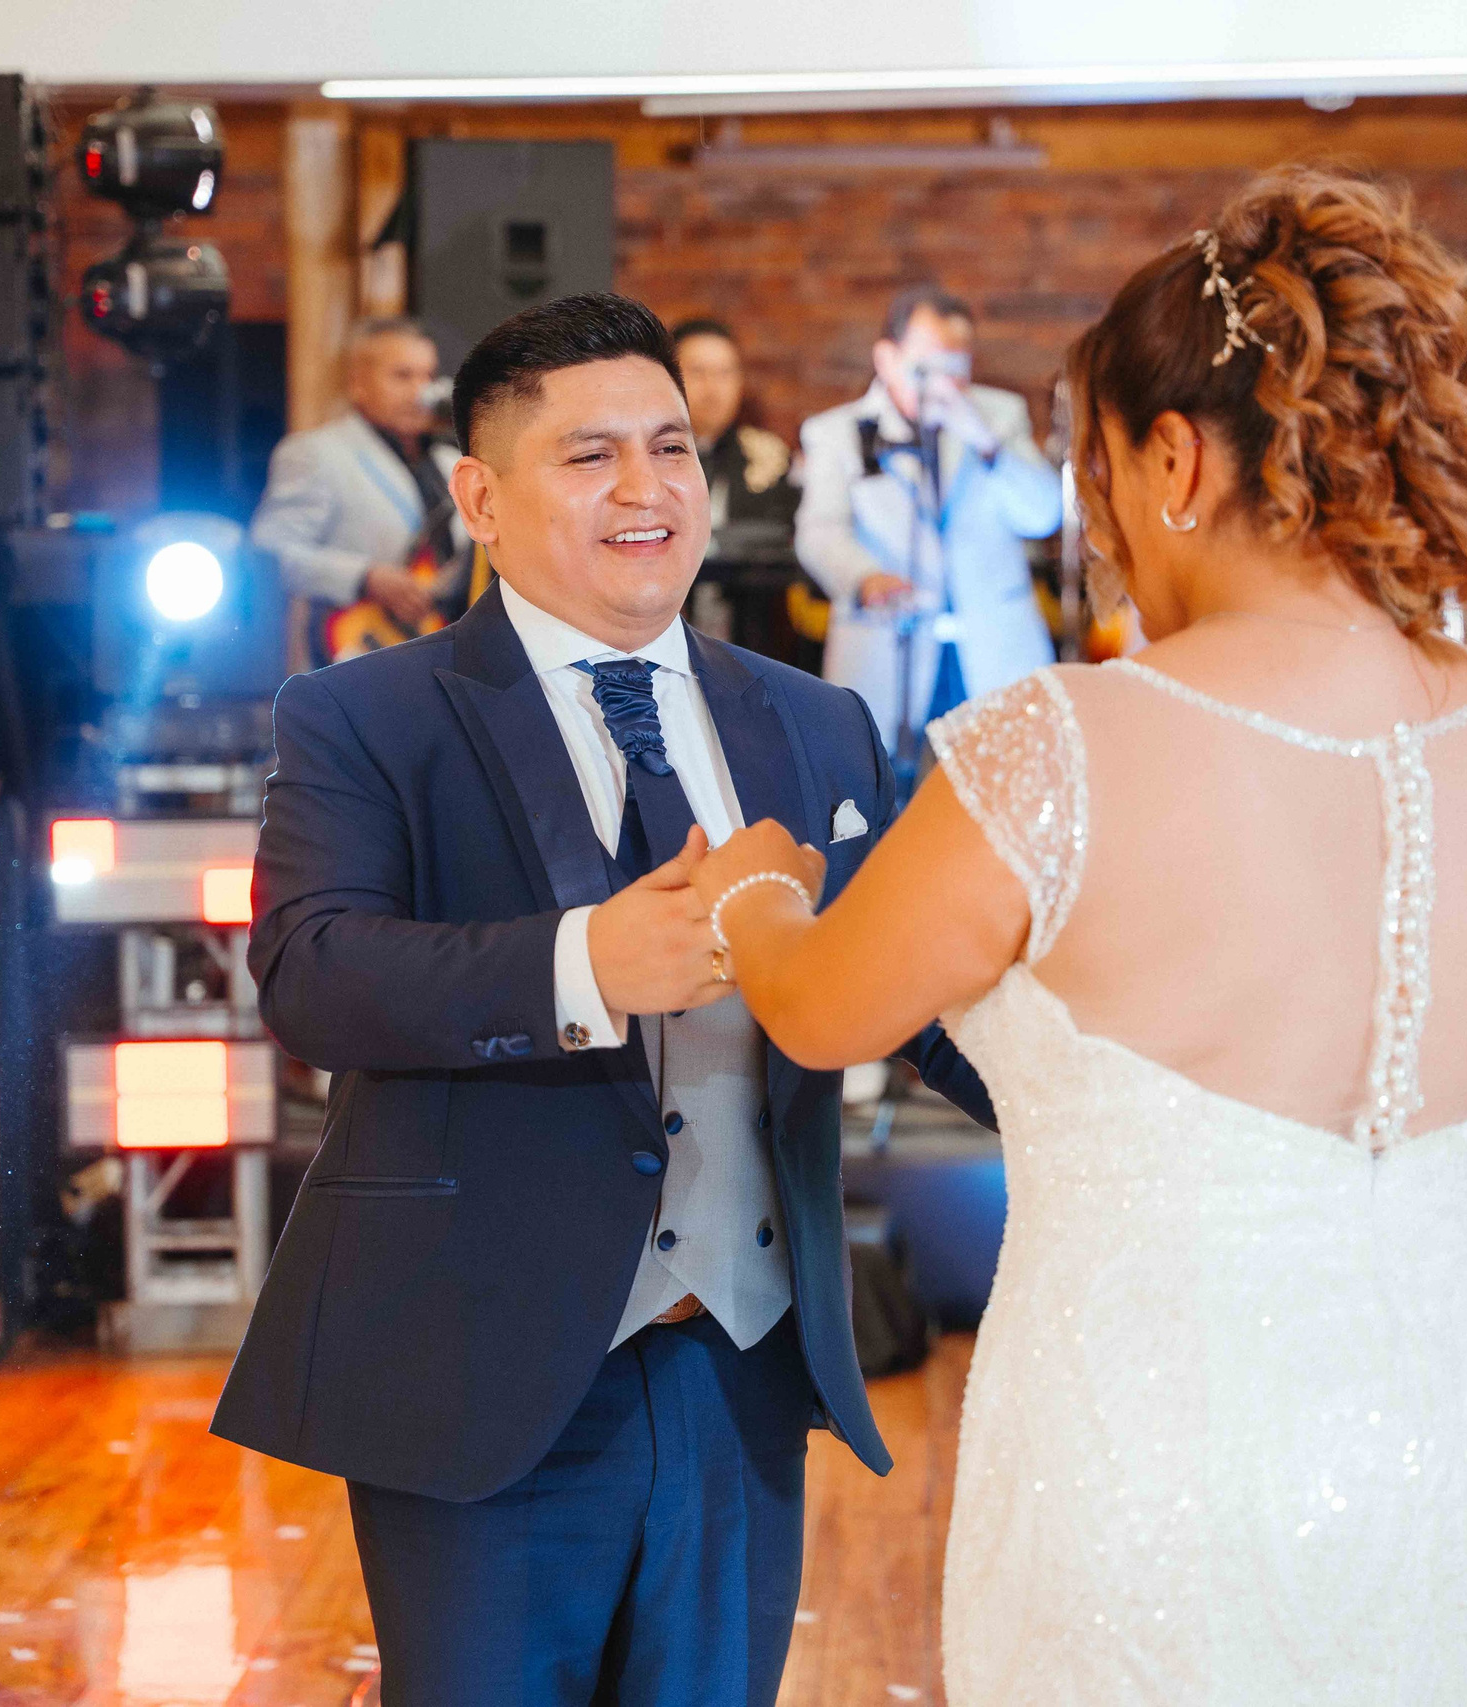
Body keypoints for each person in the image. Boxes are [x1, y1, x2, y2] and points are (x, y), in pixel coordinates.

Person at [691, 167, 1467, 1704]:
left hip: (1171, 1444)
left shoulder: (1067, 742)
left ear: (1172, 456)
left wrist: (747, 892)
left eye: (1089, 463)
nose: (1091, 515)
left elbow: (826, 1009)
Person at [210, 294, 995, 1706]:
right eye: (589, 457)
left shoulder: (815, 721)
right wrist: (583, 963)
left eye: (673, 448)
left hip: (744, 1368)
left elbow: (907, 982)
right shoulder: (363, 713)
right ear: (480, 496)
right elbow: (312, 970)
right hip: (482, 1363)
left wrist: (1099, 1098)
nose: (648, 490)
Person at [794, 286, 1063, 766]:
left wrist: (982, 440)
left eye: (957, 367)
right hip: (888, 650)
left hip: (991, 653)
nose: (944, 383)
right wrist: (862, 578)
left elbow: (1043, 515)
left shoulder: (998, 415)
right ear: (887, 358)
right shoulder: (836, 431)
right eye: (927, 367)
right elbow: (819, 531)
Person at [249, 316, 472, 664]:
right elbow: (271, 550)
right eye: (402, 375)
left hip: (447, 649)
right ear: (358, 383)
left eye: (428, 376)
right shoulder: (316, 453)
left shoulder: (454, 462)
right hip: (361, 650)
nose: (421, 391)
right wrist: (364, 577)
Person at [670, 317, 805, 650]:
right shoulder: (644, 459)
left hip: (748, 637)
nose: (713, 388)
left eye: (725, 373)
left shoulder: (768, 457)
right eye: (698, 372)